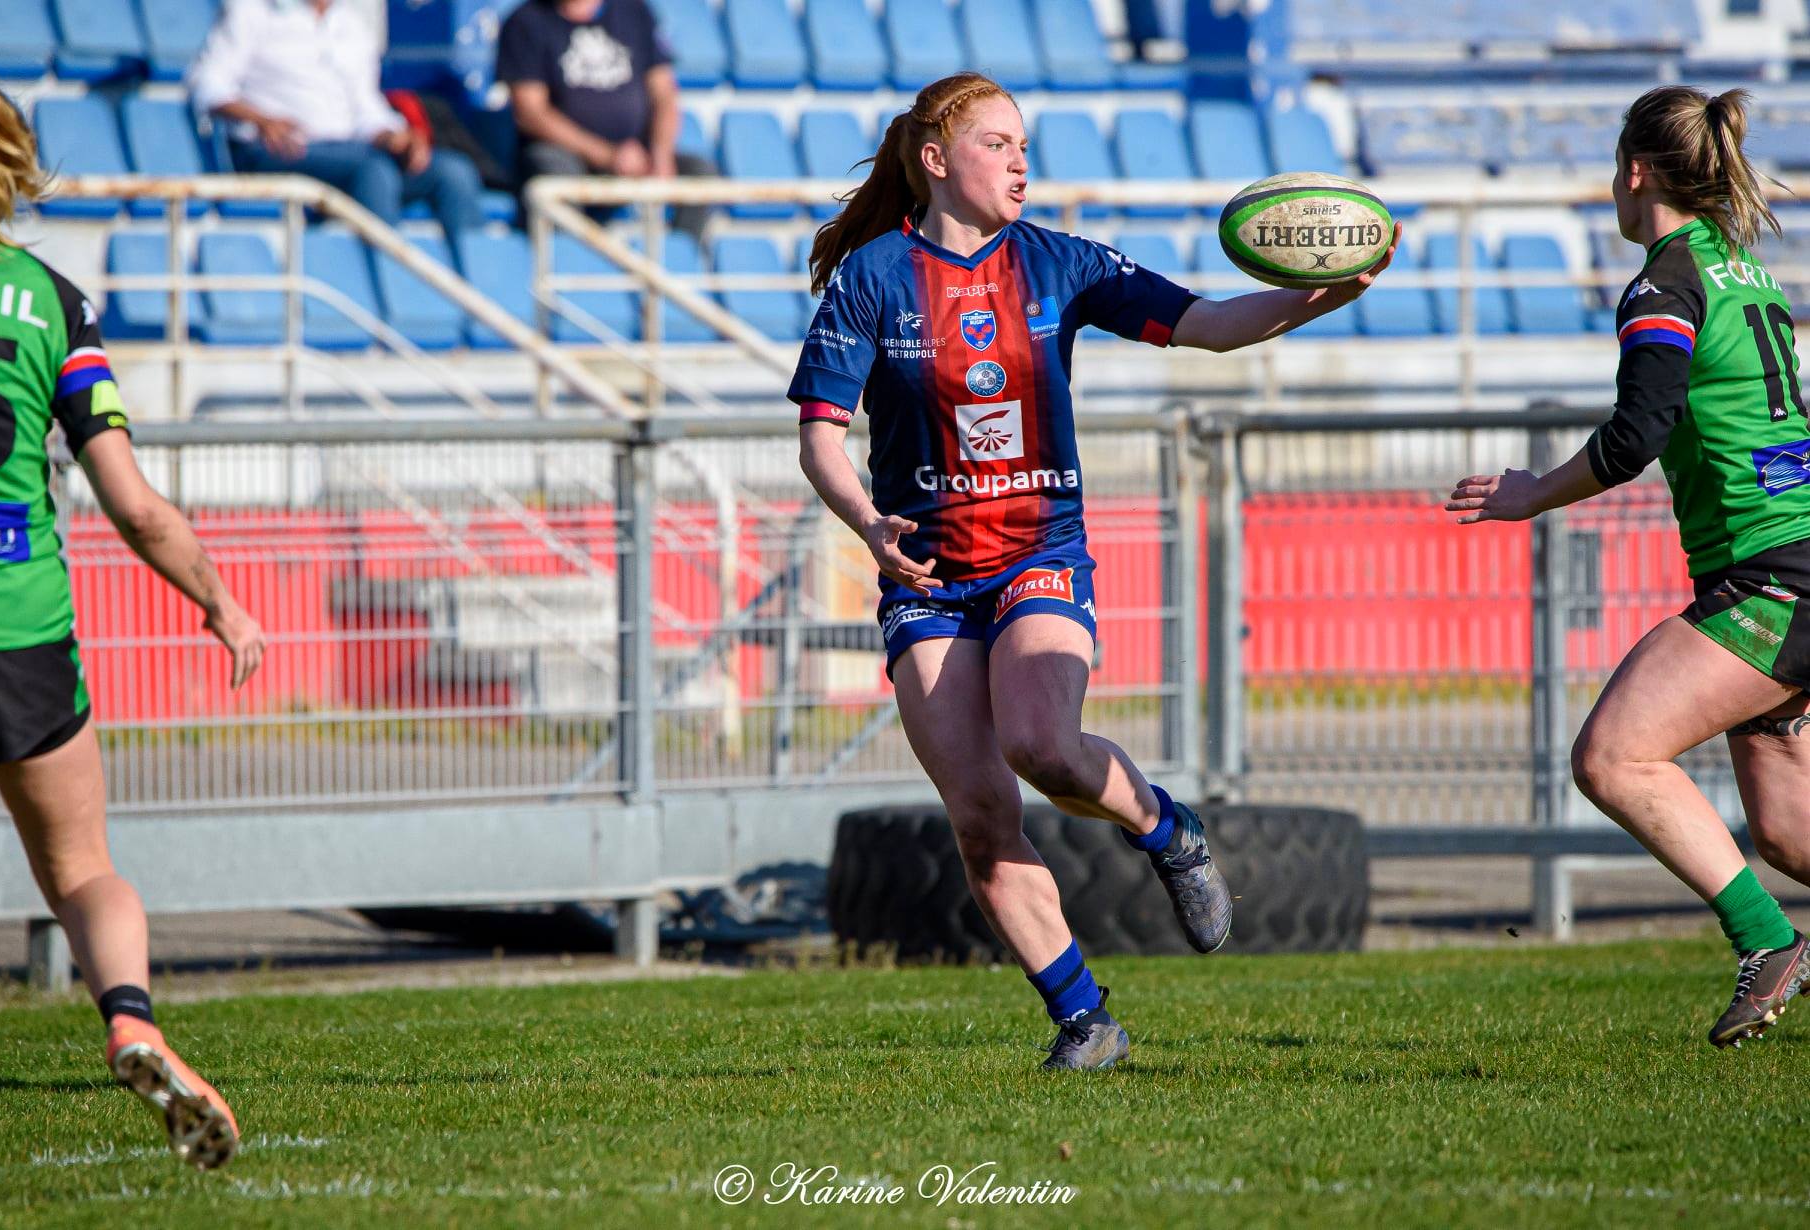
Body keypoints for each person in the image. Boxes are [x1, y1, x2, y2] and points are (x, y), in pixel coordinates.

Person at [792, 72, 1394, 1070]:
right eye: (998, 144)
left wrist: (1315, 298)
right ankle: (1086, 1019)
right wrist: (866, 524)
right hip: (926, 574)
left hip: (1039, 552)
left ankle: (1167, 831)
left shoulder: (1059, 263)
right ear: (936, 161)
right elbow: (818, 439)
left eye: (1025, 144)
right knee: (981, 818)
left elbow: (1201, 322)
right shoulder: (871, 278)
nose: (1022, 161)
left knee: (1044, 746)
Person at [1447, 85, 1810, 1048]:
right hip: (1788, 559)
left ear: (1637, 171)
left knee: (1612, 757)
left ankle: (1767, 944)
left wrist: (1532, 493)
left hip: (1775, 572)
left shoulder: (1666, 280)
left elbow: (1635, 434)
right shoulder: (1739, 265)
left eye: (1615, 168)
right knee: (1784, 829)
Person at [0, 66, 267, 1166]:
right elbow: (132, 504)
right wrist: (222, 603)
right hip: (15, 624)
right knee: (84, 868)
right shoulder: (50, 300)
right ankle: (132, 1020)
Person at [188, 0, 485, 235]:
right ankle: (391, 287)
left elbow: (365, 108)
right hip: (278, 150)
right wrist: (261, 120)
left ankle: (476, 295)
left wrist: (395, 136)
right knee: (373, 173)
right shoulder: (251, 10)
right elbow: (206, 84)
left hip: (350, 150)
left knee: (453, 173)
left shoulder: (350, 23)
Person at [497, 0, 716, 241]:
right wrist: (609, 156)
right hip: (566, 155)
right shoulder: (526, 22)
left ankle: (680, 267)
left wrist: (660, 155)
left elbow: (665, 94)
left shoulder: (634, 11)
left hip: (637, 155)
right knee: (554, 174)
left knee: (700, 174)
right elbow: (531, 113)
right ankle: (566, 268)